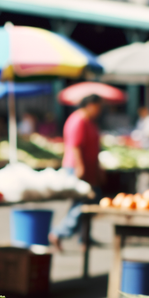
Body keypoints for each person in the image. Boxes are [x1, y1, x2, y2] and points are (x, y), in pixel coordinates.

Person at [49, 94, 104, 251]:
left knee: (89, 201)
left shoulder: (89, 121)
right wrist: (80, 167)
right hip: (78, 168)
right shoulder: (78, 120)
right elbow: (75, 146)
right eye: (98, 106)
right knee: (81, 204)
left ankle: (83, 237)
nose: (100, 111)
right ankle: (58, 232)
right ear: (90, 105)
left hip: (89, 168)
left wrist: (98, 167)